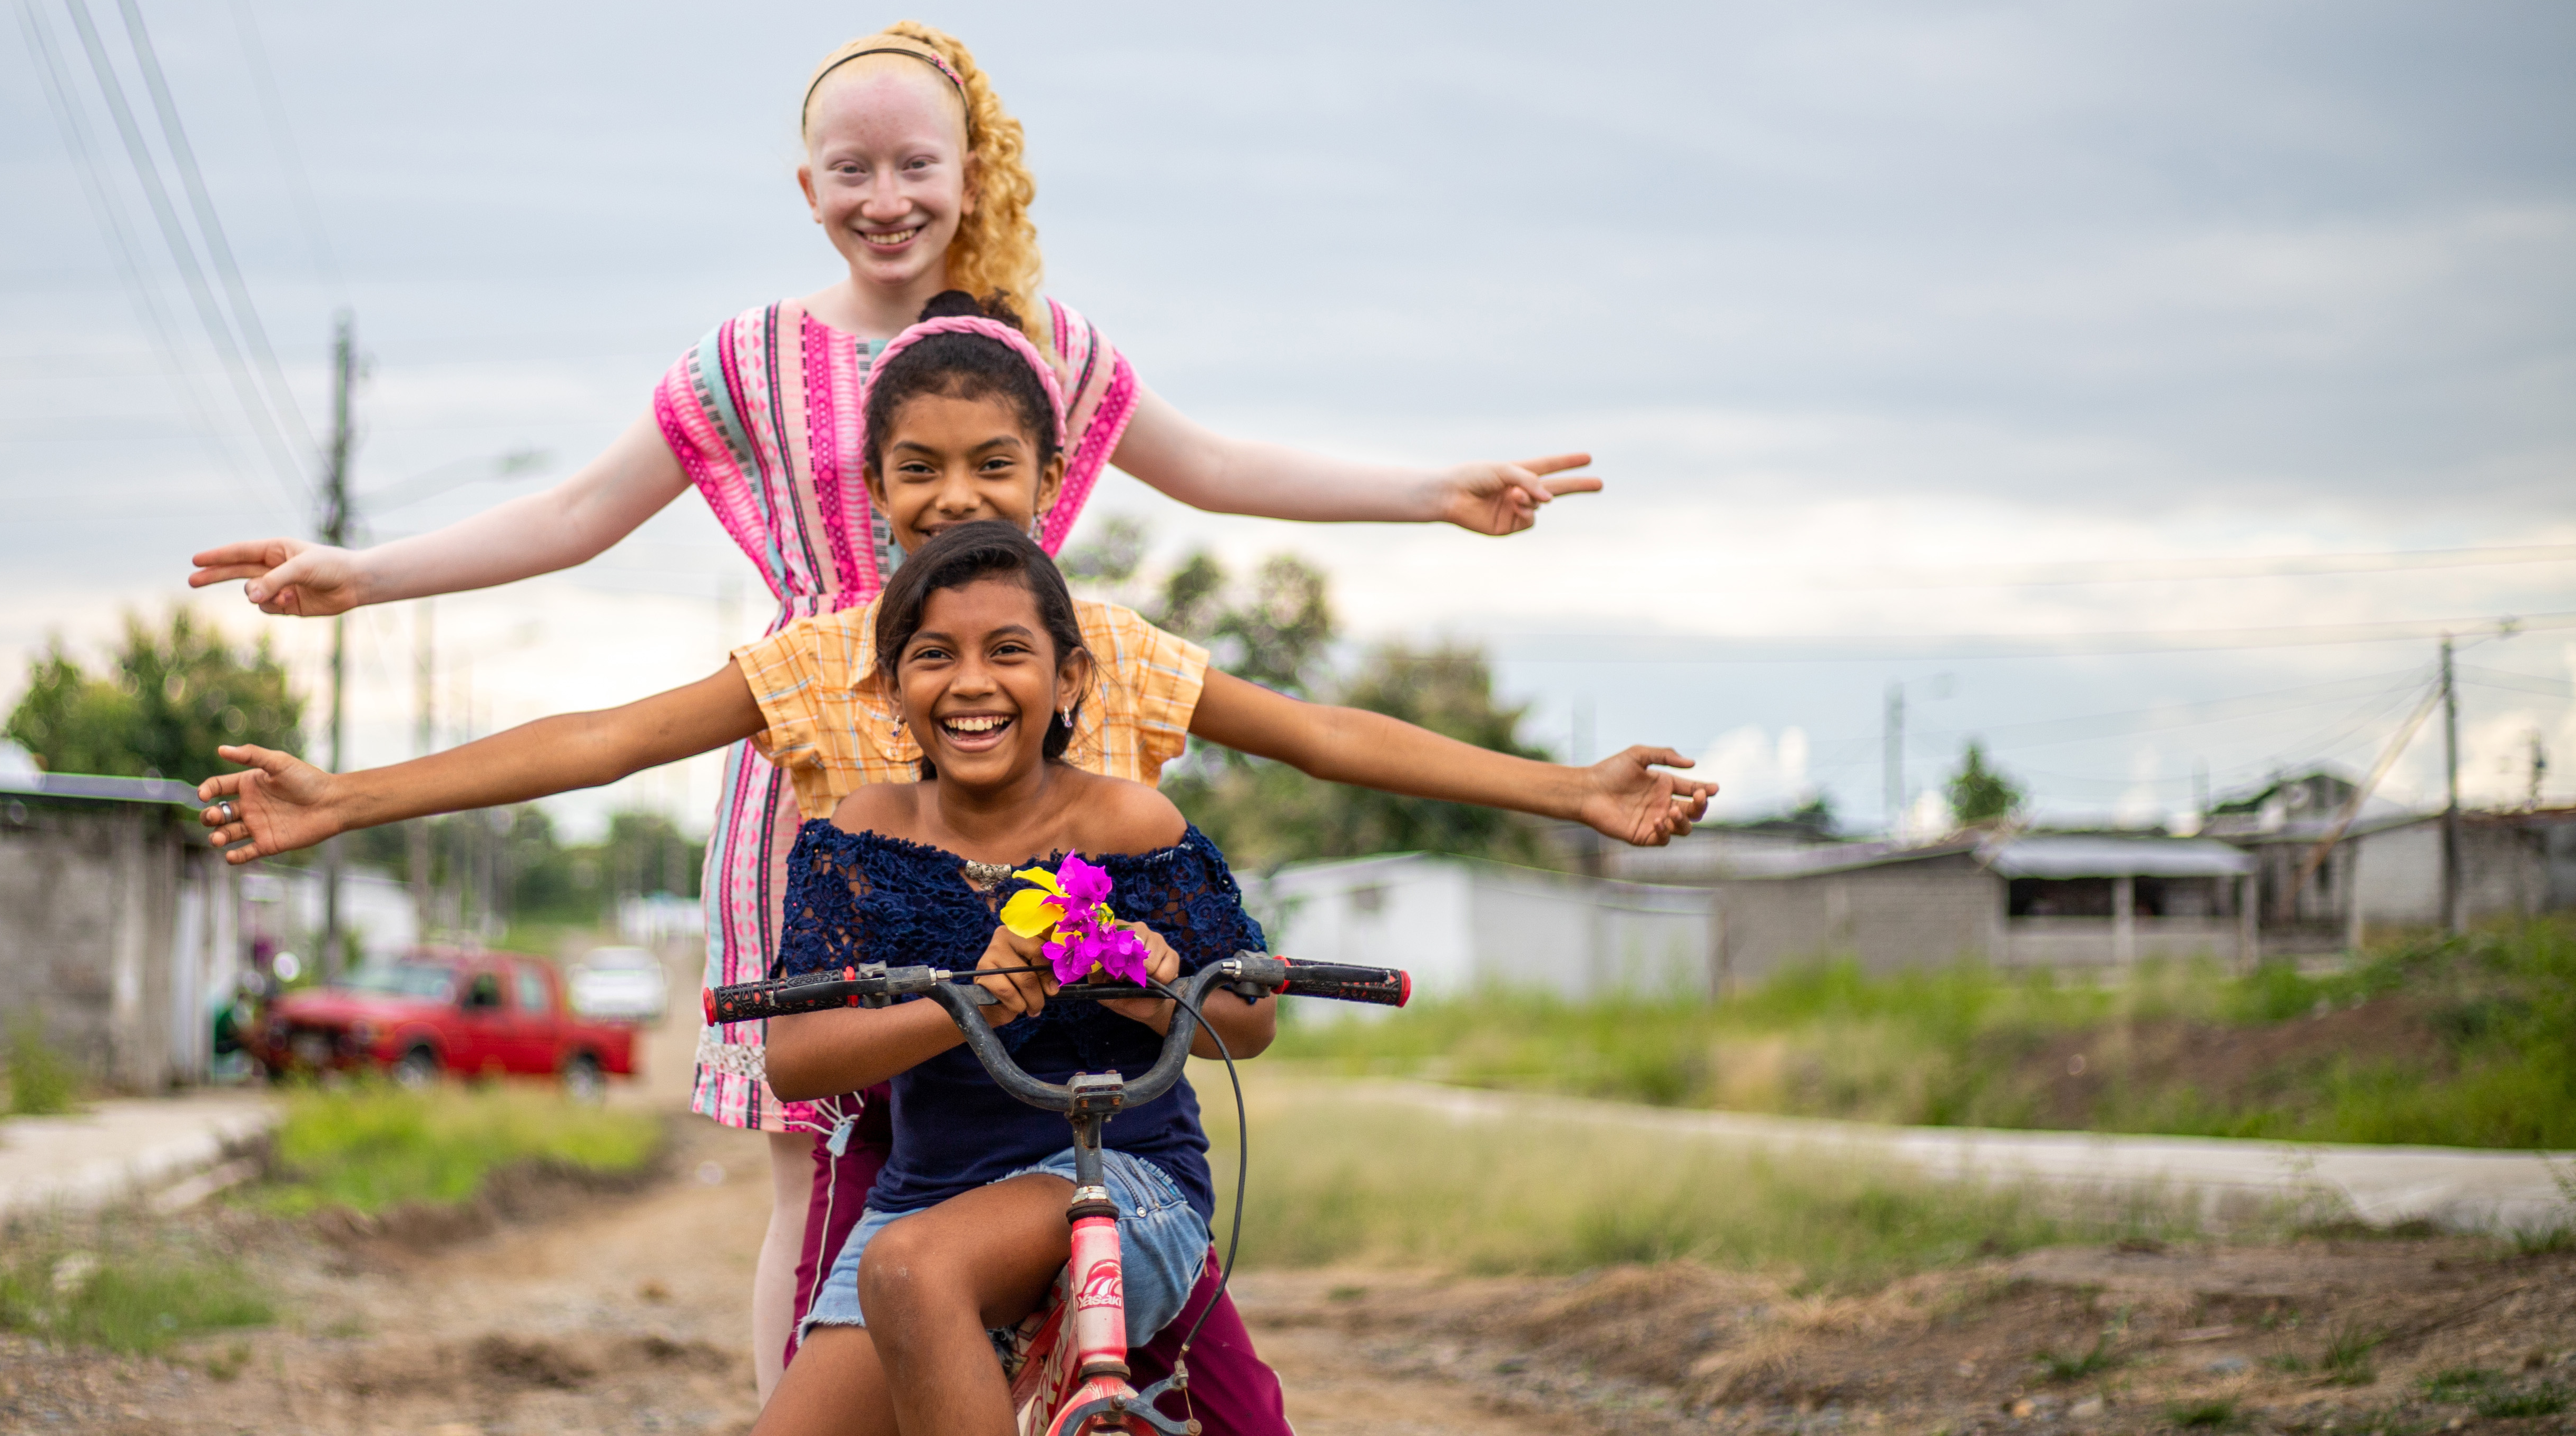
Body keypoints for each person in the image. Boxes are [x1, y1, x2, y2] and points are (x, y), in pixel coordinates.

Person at [185, 24, 1618, 1392]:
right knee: (826, 1163)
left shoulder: (1047, 349)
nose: (887, 199)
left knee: (1097, 1102)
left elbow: (1220, 465)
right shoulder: (743, 359)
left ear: (972, 170)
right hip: (817, 785)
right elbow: (576, 517)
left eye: (916, 166)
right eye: (852, 171)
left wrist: (1428, 491)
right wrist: (362, 575)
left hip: (1037, 768)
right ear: (805, 185)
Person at [757, 519, 1274, 1434]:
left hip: (1119, 1180)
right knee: (901, 1274)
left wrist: (1153, 986)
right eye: (932, 655)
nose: (971, 683)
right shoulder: (860, 838)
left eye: (1008, 651)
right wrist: (977, 998)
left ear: (1068, 677)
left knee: (915, 1269)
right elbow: (794, 1063)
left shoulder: (1130, 820)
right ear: (889, 689)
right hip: (926, 1199)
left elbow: (1249, 1021)